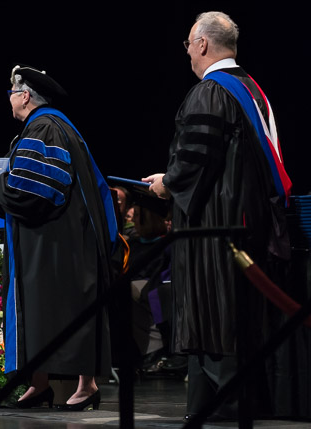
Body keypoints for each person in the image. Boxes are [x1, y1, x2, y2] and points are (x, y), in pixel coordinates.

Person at [143, 11, 292, 421]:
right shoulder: (251, 89)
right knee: (235, 317)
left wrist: (168, 184)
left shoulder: (210, 92)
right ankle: (217, 406)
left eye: (190, 44)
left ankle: (225, 407)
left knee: (215, 316)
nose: (188, 53)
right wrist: (173, 177)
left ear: (203, 44)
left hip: (214, 229)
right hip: (247, 224)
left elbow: (195, 159)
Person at [0, 64, 122, 410]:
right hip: (55, 238)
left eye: (12, 93)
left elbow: (35, 192)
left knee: (70, 309)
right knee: (42, 310)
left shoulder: (44, 129)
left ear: (25, 95)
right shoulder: (52, 127)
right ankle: (39, 385)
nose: (9, 99)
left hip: (59, 243)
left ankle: (86, 387)